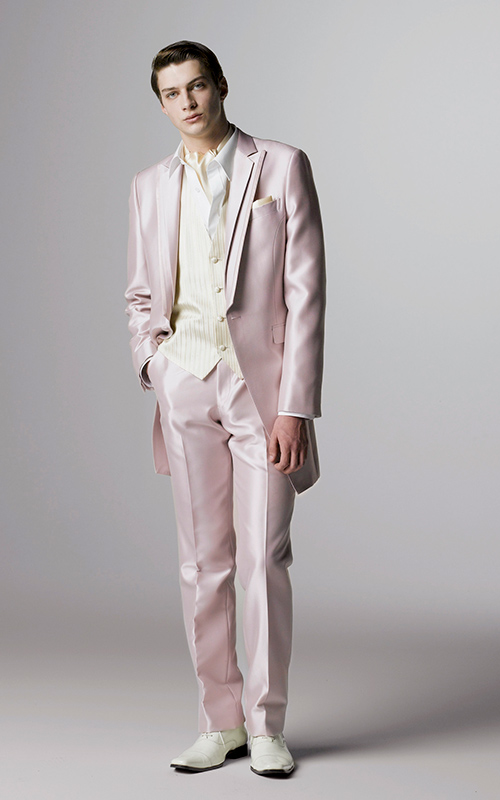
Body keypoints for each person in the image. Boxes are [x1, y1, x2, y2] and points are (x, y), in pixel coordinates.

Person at [125, 40, 326, 777]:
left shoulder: (282, 166)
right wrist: (155, 365)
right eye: (172, 93)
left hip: (261, 393)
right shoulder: (148, 186)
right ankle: (221, 721)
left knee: (263, 557)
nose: (187, 102)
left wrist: (295, 407)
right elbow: (140, 294)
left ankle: (267, 726)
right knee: (202, 563)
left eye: (198, 86)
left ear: (221, 86)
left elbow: (307, 294)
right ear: (161, 104)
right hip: (185, 381)